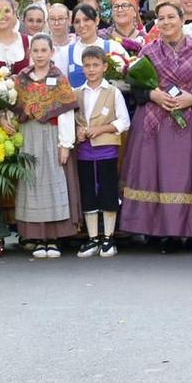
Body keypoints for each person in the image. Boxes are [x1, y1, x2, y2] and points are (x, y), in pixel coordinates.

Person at [121, 3, 192, 250]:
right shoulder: (148, 51)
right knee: (158, 176)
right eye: (161, 18)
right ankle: (160, 232)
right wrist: (153, 95)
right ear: (156, 22)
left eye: (171, 17)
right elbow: (136, 89)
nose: (166, 22)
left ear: (181, 20)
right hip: (156, 122)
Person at [10, 34, 79, 258]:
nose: (39, 55)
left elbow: (66, 112)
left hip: (51, 135)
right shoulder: (22, 79)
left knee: (53, 183)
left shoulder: (59, 79)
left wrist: (65, 144)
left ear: (51, 52)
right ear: (30, 52)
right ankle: (37, 238)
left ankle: (53, 239)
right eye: (36, 51)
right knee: (32, 185)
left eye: (43, 50)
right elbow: (14, 107)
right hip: (28, 135)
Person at [71, 46, 129, 258]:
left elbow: (124, 121)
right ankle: (93, 238)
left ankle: (108, 237)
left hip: (107, 151)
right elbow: (71, 120)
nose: (91, 69)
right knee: (88, 192)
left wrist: (100, 129)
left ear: (105, 67)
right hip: (84, 152)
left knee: (107, 191)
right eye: (87, 66)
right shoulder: (77, 93)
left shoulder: (113, 92)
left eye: (96, 65)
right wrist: (78, 131)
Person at [59, 4, 125, 88]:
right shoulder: (66, 52)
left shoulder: (113, 47)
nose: (82, 25)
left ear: (96, 20)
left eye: (86, 19)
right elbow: (61, 86)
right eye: (77, 22)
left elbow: (127, 78)